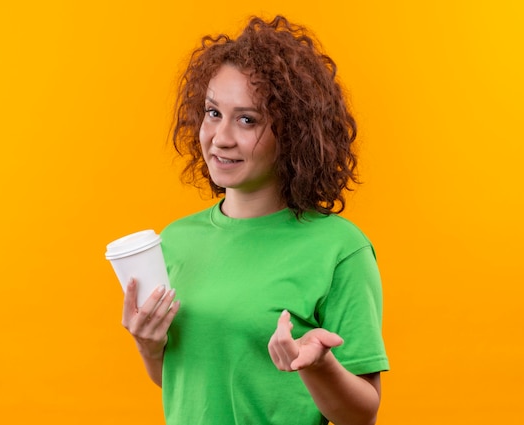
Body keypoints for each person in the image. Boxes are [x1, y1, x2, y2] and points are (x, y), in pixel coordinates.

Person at [121, 15, 389, 425]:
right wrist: (149, 347)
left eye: (247, 119)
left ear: (295, 133)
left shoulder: (340, 250)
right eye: (213, 113)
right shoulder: (175, 241)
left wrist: (318, 367)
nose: (220, 137)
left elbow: (361, 415)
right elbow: (183, 381)